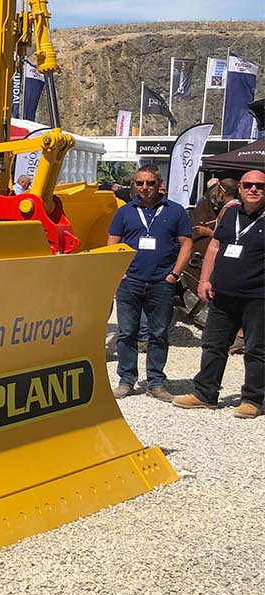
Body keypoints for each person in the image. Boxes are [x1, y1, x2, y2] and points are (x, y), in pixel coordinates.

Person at [173, 168, 264, 418]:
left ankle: (253, 399)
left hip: (257, 297)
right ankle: (205, 393)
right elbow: (215, 245)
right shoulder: (231, 212)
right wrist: (204, 279)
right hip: (222, 294)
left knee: (256, 349)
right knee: (213, 344)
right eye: (248, 185)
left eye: (260, 186)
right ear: (240, 189)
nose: (254, 189)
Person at [106, 166, 193, 402]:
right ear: (134, 185)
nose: (144, 188)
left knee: (158, 333)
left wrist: (174, 275)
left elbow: (186, 244)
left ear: (159, 184)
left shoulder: (175, 211)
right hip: (130, 282)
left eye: (150, 183)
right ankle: (126, 380)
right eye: (140, 183)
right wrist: (119, 272)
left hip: (161, 282)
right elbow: (113, 241)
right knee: (127, 333)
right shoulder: (125, 212)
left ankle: (155, 382)